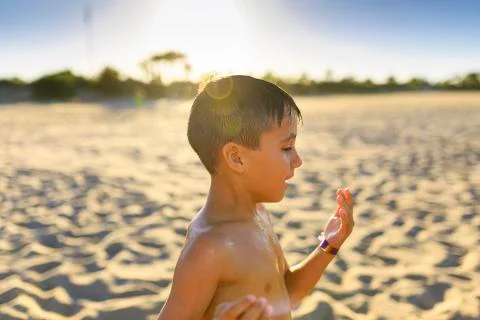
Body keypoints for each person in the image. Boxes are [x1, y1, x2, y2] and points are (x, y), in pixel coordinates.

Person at [156, 75, 355, 320]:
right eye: (286, 148)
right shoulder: (208, 248)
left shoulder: (259, 213)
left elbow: (287, 291)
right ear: (237, 158)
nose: (298, 160)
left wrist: (329, 245)